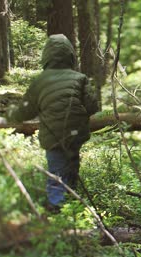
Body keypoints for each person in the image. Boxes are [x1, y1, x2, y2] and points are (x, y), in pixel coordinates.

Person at [7, 34, 99, 211]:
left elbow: (25, 111)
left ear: (46, 56)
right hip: (75, 135)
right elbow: (92, 106)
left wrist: (10, 114)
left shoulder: (40, 81)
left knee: (56, 171)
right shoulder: (80, 78)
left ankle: (57, 210)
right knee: (71, 167)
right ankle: (72, 206)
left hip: (53, 136)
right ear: (70, 56)